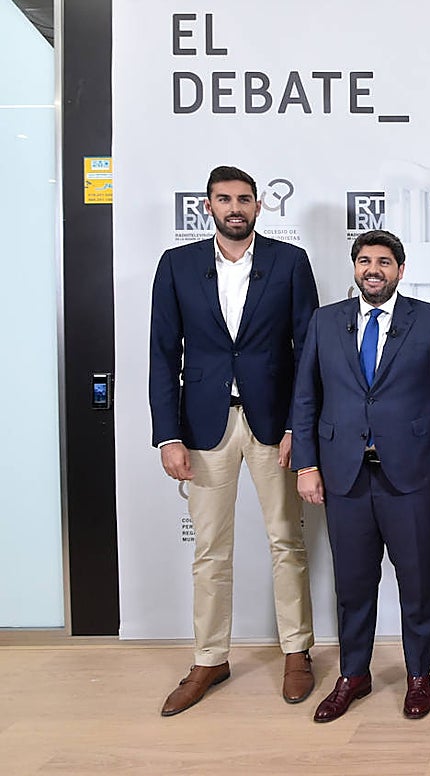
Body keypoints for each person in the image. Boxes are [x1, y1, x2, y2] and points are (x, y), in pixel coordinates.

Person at [149, 165, 318, 717]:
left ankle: (297, 651)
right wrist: (167, 434)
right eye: (224, 199)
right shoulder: (176, 265)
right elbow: (161, 355)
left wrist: (300, 427)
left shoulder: (289, 263)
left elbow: (308, 354)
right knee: (209, 551)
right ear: (208, 206)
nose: (235, 207)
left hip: (274, 426)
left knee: (285, 542)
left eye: (244, 199)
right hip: (202, 427)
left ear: (259, 206)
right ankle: (209, 658)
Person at [290, 229, 430, 723]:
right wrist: (307, 463)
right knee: (353, 583)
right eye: (365, 260)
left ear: (400, 270)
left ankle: (418, 675)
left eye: (384, 262)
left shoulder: (429, 320)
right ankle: (354, 674)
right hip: (344, 475)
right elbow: (305, 398)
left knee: (417, 582)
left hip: (411, 476)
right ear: (354, 267)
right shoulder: (325, 323)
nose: (374, 269)